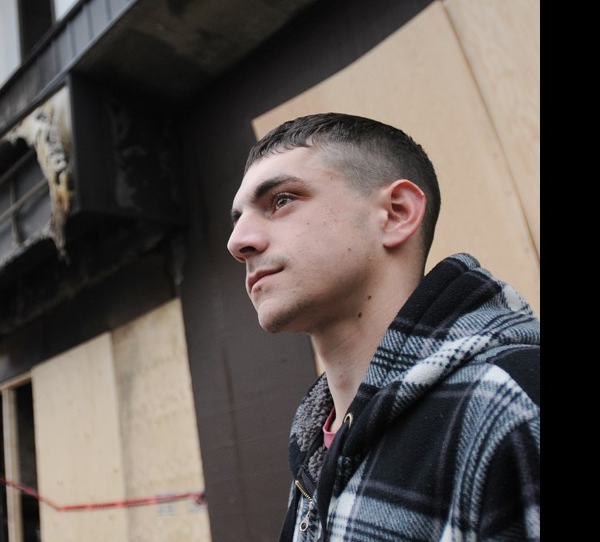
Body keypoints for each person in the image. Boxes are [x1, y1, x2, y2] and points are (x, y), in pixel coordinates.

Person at [226, 113, 540, 541]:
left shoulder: (514, 401)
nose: (238, 242)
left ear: (396, 213)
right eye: (238, 217)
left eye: (281, 200)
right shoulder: (317, 440)